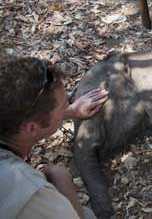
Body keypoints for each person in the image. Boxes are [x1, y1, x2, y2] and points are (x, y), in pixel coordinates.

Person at [0, 55, 109, 218]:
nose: (69, 103)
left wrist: (70, 112)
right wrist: (60, 179)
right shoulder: (29, 192)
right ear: (31, 127)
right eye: (63, 104)